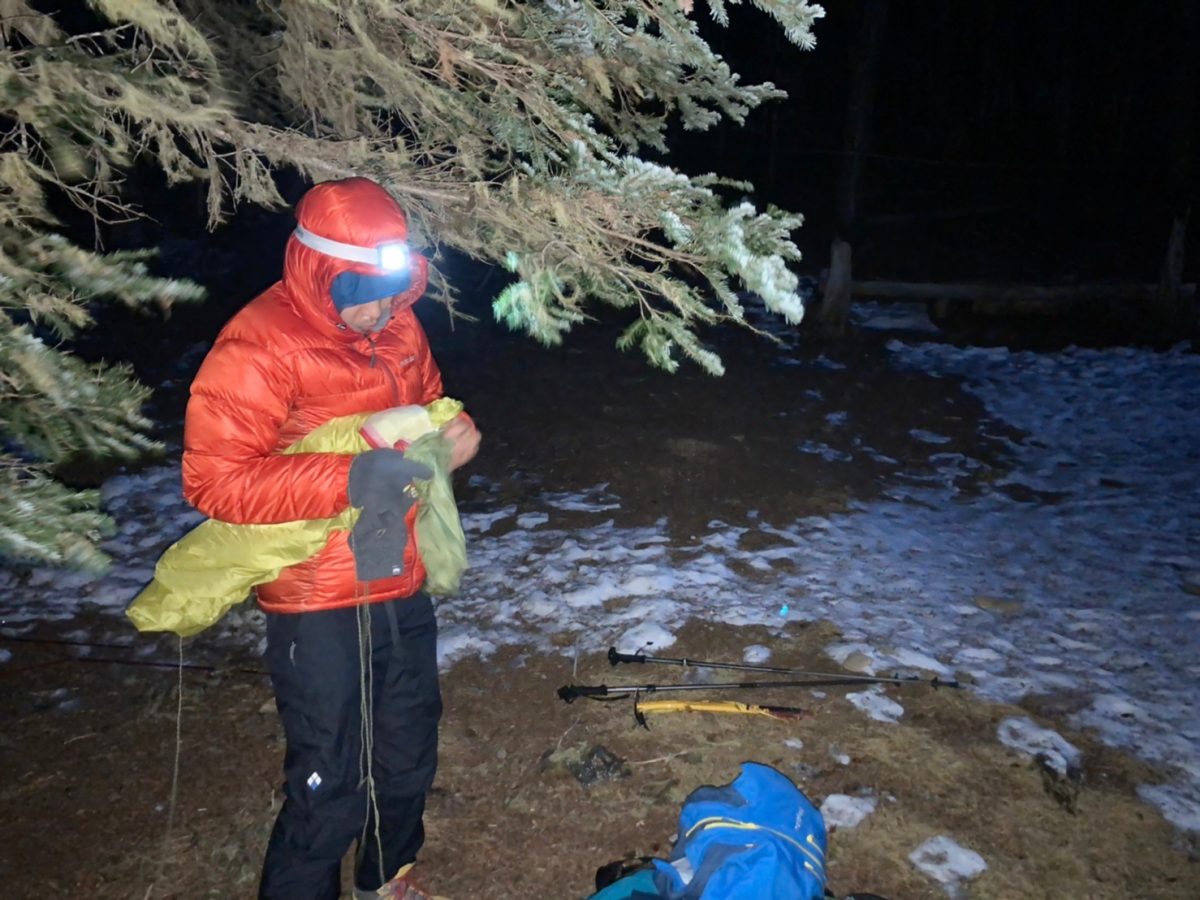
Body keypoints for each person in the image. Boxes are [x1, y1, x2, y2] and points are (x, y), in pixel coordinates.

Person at [182, 177, 480, 900]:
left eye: (396, 288)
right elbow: (215, 483)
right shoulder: (259, 345)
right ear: (324, 273)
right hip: (315, 595)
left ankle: (386, 875)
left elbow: (428, 409)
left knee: (408, 751)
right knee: (330, 778)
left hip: (397, 571)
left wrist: (451, 438)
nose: (383, 311)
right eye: (366, 292)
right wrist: (351, 477)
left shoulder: (401, 327)